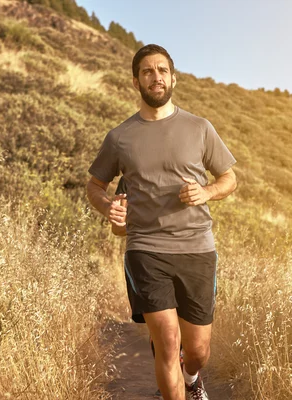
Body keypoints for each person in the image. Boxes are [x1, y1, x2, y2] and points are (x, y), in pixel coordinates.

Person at [87, 44, 237, 400]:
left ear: (174, 78)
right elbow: (94, 185)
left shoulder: (199, 128)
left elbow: (229, 178)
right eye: (147, 72)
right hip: (145, 249)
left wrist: (207, 192)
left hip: (197, 249)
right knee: (167, 342)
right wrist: (108, 207)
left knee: (198, 350)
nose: (156, 77)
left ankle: (191, 376)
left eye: (162, 71)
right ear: (136, 82)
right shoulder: (120, 137)